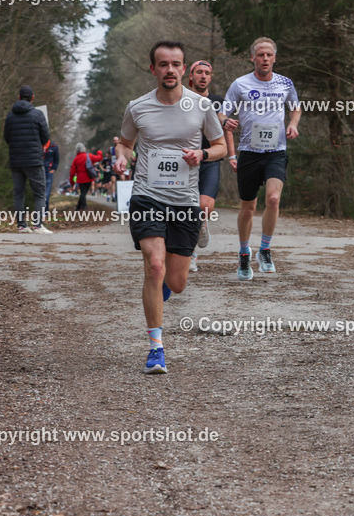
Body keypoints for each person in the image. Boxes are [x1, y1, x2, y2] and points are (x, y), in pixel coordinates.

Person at [114, 40, 226, 374]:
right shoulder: (138, 107)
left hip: (184, 201)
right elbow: (125, 144)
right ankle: (156, 348)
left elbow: (220, 145)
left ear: (184, 68)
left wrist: (202, 155)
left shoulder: (201, 106)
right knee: (155, 266)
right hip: (147, 196)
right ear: (153, 69)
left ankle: (160, 290)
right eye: (163, 64)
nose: (170, 70)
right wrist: (122, 159)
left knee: (176, 282)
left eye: (176, 64)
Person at [223, 37, 301, 279]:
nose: (265, 59)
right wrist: (225, 121)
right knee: (248, 207)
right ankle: (244, 252)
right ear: (252, 58)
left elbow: (296, 106)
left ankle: (265, 249)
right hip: (249, 152)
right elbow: (221, 112)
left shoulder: (285, 83)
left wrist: (293, 124)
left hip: (276, 151)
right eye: (260, 55)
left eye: (269, 55)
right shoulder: (240, 84)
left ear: (274, 58)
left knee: (274, 199)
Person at [187, 60, 236, 272]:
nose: (203, 76)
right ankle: (189, 253)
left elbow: (226, 129)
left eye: (207, 73)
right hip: (186, 162)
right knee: (187, 209)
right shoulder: (182, 99)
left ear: (211, 77)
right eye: (199, 72)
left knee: (205, 206)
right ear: (191, 76)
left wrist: (232, 156)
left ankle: (203, 223)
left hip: (210, 160)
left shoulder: (217, 101)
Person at [3, 85, 52, 233]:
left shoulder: (10, 116)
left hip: (16, 161)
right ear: (33, 98)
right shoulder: (37, 115)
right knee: (39, 193)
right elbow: (45, 137)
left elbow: (7, 138)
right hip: (34, 161)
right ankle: (37, 225)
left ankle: (21, 225)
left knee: (19, 193)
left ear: (18, 97)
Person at [69, 143, 102, 210]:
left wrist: (72, 182)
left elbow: (72, 172)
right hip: (89, 178)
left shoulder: (76, 159)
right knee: (84, 193)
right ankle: (82, 206)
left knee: (83, 193)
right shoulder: (88, 156)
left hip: (80, 179)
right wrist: (99, 152)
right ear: (84, 148)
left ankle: (80, 206)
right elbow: (99, 158)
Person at [43, 138, 59, 216]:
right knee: (40, 193)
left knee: (46, 193)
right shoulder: (38, 144)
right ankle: (39, 211)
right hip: (38, 172)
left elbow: (57, 159)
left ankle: (45, 212)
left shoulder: (54, 146)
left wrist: (53, 169)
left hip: (48, 172)